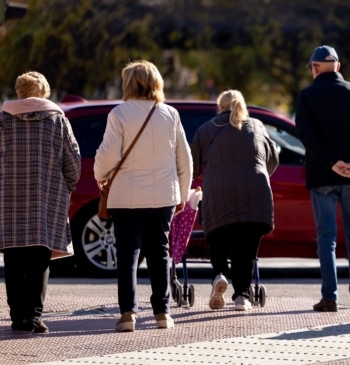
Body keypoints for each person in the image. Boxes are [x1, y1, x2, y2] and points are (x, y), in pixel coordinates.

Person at [94, 60, 193, 331]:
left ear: (128, 83)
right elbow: (184, 159)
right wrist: (182, 193)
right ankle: (162, 313)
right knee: (159, 253)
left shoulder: (119, 114)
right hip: (163, 196)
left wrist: (99, 174)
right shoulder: (170, 114)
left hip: (125, 196)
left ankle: (128, 314)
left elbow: (108, 155)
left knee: (127, 254)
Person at [0, 71, 81, 333]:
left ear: (19, 91)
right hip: (46, 198)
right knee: (39, 257)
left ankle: (17, 316)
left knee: (13, 258)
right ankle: (34, 316)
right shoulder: (57, 120)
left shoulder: (3, 119)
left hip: (8, 198)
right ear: (44, 92)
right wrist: (67, 186)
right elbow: (73, 161)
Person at [191, 89, 279, 311]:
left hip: (219, 195)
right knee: (246, 251)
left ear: (220, 107)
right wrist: (259, 174)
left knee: (219, 238)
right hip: (256, 195)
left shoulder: (206, 129)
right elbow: (273, 159)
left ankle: (219, 274)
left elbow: (192, 166)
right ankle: (242, 296)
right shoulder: (257, 126)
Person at [295, 45, 350, 312]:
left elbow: (306, 135)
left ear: (315, 68)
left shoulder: (307, 96)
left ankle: (330, 297)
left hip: (322, 176)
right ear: (338, 66)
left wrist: (332, 163)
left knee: (326, 238)